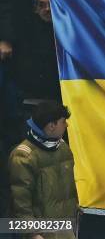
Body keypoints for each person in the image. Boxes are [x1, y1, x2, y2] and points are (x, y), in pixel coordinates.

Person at [8, 102, 78, 239]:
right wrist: (33, 233)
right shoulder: (23, 156)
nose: (67, 125)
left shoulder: (63, 148)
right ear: (51, 126)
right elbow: (21, 203)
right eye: (63, 122)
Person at [13, 0, 61, 101]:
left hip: (58, 92)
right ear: (35, 8)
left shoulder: (64, 30)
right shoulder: (26, 29)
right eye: (42, 5)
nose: (47, 9)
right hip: (31, 93)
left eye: (50, 5)